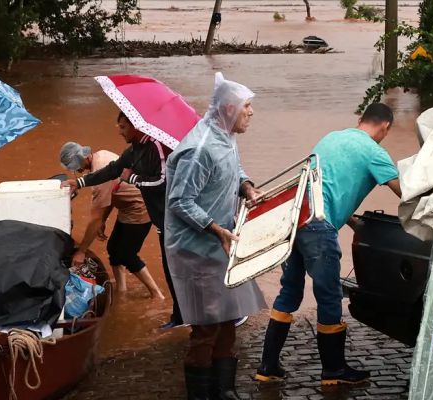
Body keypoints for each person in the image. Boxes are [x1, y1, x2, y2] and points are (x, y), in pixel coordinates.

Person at [254, 103, 402, 386]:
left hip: (296, 219)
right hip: (319, 228)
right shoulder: (375, 152)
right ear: (386, 127)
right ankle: (334, 371)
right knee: (330, 296)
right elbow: (404, 193)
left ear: (360, 119)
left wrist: (350, 221)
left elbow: (323, 187)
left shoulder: (330, 138)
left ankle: (268, 366)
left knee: (290, 291)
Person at [165, 72, 267, 400]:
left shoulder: (224, 137)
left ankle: (225, 390)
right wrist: (214, 228)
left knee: (228, 318)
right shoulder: (200, 149)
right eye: (246, 106)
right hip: (197, 248)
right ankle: (201, 393)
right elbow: (180, 201)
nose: (251, 112)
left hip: (220, 241)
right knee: (207, 325)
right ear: (227, 109)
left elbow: (233, 167)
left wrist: (247, 186)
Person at [61, 112, 185, 328]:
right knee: (118, 250)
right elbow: (113, 172)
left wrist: (81, 250)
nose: (118, 131)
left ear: (136, 126)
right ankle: (129, 294)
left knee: (131, 255)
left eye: (123, 127)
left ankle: (164, 301)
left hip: (153, 214)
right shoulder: (130, 151)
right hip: (149, 215)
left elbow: (161, 183)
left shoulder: (154, 148)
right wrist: (80, 183)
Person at [59, 141, 165, 300]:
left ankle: (156, 294)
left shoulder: (100, 172)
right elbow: (112, 195)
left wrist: (81, 251)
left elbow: (95, 218)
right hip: (128, 207)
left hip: (139, 209)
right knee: (113, 249)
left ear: (85, 157)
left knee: (127, 255)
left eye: (76, 165)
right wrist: (104, 219)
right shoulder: (101, 155)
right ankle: (122, 290)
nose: (77, 170)